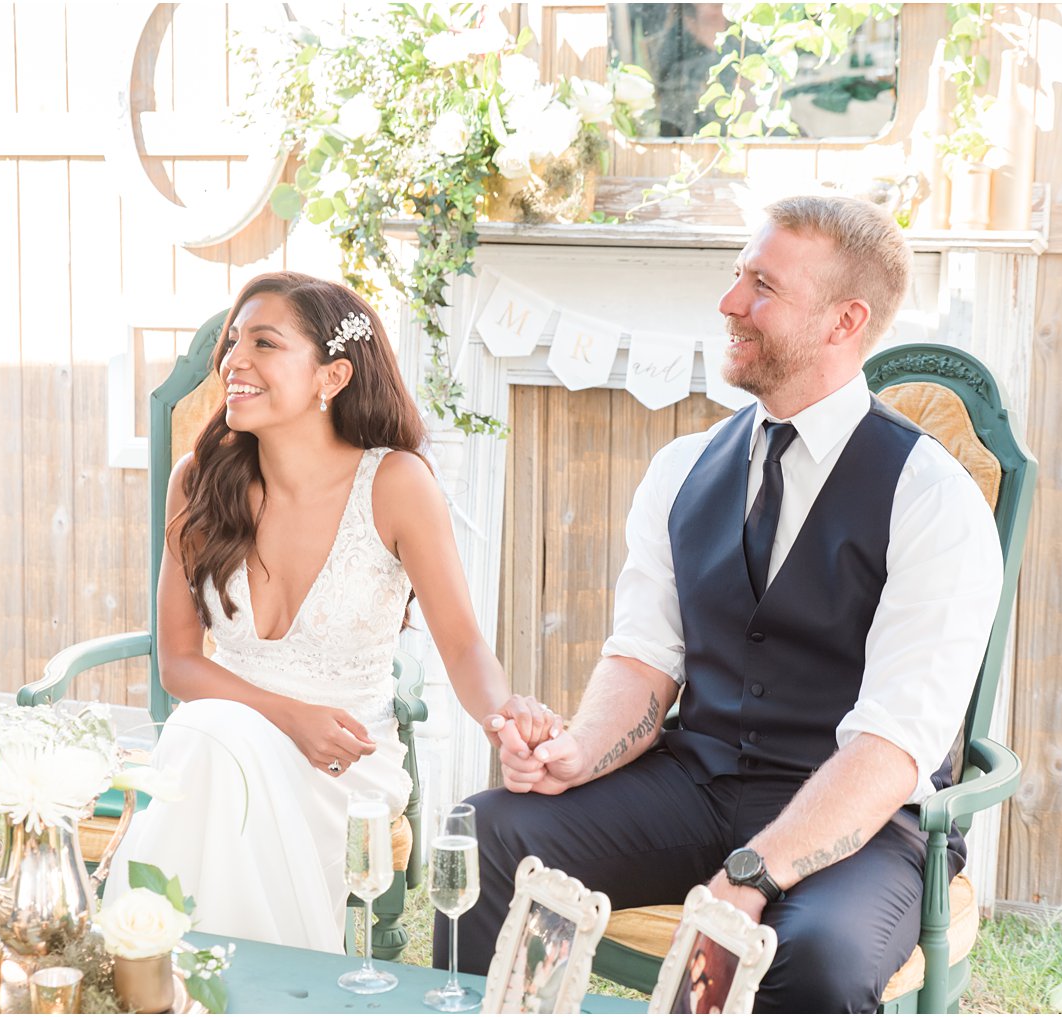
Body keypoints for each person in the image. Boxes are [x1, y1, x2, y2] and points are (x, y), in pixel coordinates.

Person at [441, 196, 1003, 1011]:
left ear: (845, 321)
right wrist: (578, 754)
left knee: (815, 955)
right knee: (491, 831)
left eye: (762, 286)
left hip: (865, 825)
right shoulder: (682, 468)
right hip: (695, 784)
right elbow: (642, 659)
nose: (729, 302)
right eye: (737, 275)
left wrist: (754, 873)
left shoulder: (932, 499)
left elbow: (891, 747)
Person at [105, 272, 550, 952]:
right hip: (225, 738)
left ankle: (152, 969)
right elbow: (181, 664)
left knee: (202, 744)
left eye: (264, 343)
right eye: (231, 343)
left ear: (331, 376)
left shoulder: (397, 483)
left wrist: (503, 720)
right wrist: (287, 716)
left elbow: (461, 645)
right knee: (210, 736)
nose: (233, 362)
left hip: (344, 764)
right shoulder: (197, 480)